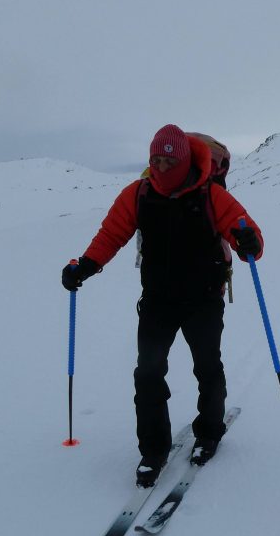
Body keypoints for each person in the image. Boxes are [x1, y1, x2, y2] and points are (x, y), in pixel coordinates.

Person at [61, 124, 263, 487]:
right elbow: (112, 234)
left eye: (169, 160)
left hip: (203, 297)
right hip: (157, 299)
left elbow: (248, 233)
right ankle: (153, 450)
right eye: (155, 159)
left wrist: (248, 241)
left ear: (184, 160)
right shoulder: (139, 194)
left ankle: (209, 431)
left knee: (207, 367)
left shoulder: (209, 196)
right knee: (148, 373)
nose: (161, 166)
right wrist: (85, 266)